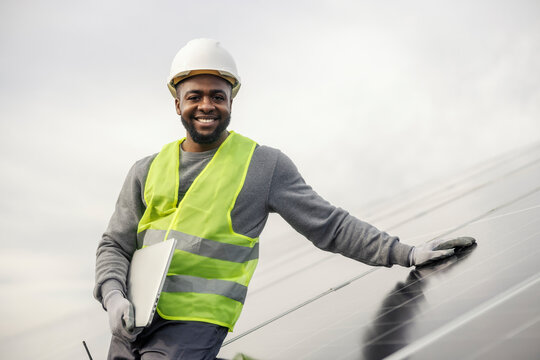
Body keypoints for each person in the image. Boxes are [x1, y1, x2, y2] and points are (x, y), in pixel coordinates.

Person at [94, 38, 475, 360]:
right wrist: (113, 296)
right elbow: (115, 243)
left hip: (193, 327)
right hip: (130, 323)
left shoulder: (263, 166)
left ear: (231, 101)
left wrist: (405, 253)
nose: (206, 105)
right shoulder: (145, 170)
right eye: (194, 96)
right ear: (177, 104)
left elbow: (330, 226)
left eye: (218, 96)